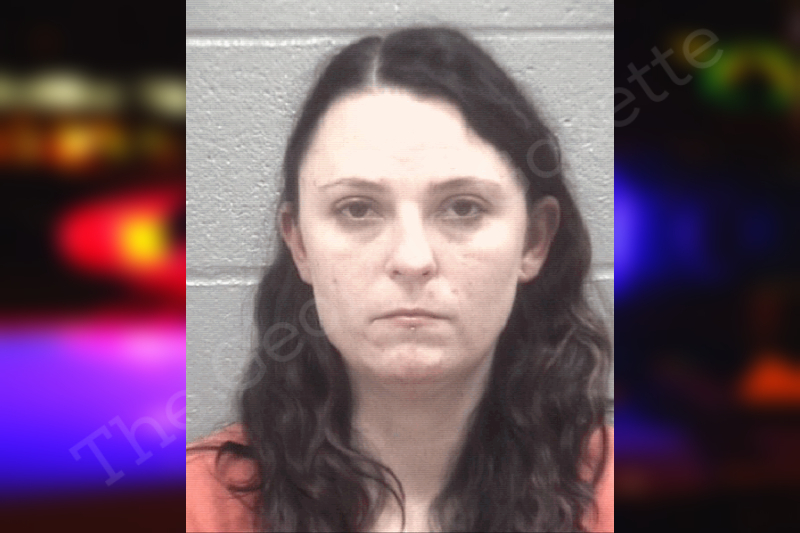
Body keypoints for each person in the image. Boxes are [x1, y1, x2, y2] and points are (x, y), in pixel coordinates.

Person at [187, 26, 613, 532]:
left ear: (534, 241)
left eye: (463, 207)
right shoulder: (196, 505)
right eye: (357, 209)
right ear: (299, 244)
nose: (412, 259)